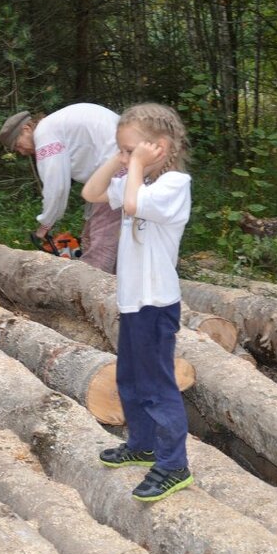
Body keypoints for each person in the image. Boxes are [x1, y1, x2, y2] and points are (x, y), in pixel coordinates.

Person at [81, 103, 193, 502]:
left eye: (131, 150)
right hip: (133, 302)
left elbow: (132, 205)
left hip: (156, 303)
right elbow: (91, 193)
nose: (126, 158)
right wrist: (120, 160)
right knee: (129, 378)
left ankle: (173, 464)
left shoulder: (173, 185)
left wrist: (135, 166)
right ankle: (143, 444)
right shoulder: (136, 180)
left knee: (156, 384)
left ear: (159, 147)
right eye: (123, 150)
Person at [0, 102, 123, 273]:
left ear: (26, 129)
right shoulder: (55, 126)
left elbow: (56, 187)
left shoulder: (45, 134)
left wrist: (45, 224)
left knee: (99, 244)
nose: (22, 152)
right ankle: (116, 283)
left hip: (119, 168)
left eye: (18, 145)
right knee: (92, 238)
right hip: (121, 164)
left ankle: (92, 286)